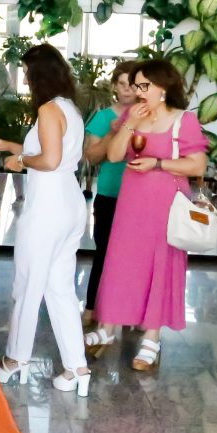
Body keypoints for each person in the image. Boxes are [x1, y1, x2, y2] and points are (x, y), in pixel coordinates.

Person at [0, 44, 90, 394]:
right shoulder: (69, 108)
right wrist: (11, 146)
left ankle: (15, 361)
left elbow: (48, 160)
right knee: (59, 287)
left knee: (27, 284)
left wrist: (21, 161)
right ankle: (77, 367)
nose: (27, 80)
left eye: (28, 73)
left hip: (47, 206)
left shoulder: (47, 109)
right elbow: (53, 153)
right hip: (70, 201)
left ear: (38, 75)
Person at [94, 59, 209, 373]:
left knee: (160, 263)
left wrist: (157, 164)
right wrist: (130, 123)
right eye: (136, 86)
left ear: (164, 87)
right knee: (121, 260)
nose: (138, 91)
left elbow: (197, 165)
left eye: (144, 85)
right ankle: (109, 324)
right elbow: (114, 155)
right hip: (131, 200)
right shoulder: (133, 115)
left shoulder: (183, 120)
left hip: (166, 201)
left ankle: (152, 336)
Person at [82, 60, 140, 341]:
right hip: (108, 194)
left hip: (140, 196)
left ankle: (133, 310)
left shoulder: (148, 116)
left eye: (133, 84)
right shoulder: (104, 117)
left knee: (137, 255)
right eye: (122, 84)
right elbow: (92, 156)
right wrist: (114, 131)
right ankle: (93, 306)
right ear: (115, 86)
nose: (127, 89)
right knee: (104, 252)